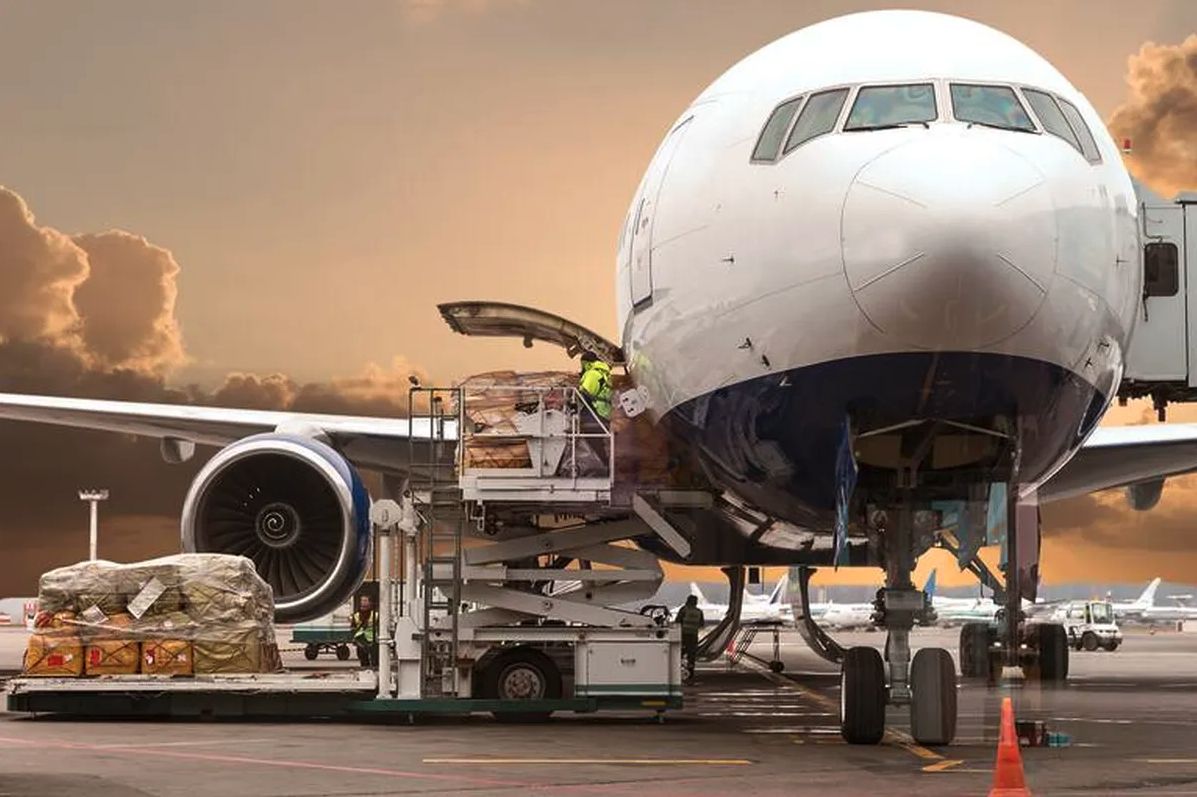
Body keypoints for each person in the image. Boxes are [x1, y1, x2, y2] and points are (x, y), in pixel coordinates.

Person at [577, 351, 614, 472]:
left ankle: (602, 465)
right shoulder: (603, 373)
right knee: (597, 443)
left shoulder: (592, 374)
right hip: (603, 413)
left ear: (586, 363)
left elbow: (584, 394)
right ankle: (605, 464)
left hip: (594, 413)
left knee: (586, 438)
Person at [676, 594, 705, 678]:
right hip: (693, 635)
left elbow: (678, 621)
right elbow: (701, 624)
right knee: (691, 654)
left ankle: (678, 669)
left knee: (679, 653)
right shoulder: (699, 612)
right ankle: (690, 671)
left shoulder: (684, 610)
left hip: (683, 635)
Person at [350, 594, 379, 668]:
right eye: (362, 600)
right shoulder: (356, 615)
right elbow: (352, 628)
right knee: (363, 661)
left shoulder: (375, 615)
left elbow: (379, 628)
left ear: (370, 603)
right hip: (361, 642)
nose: (363, 602)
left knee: (375, 662)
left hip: (373, 641)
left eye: (365, 600)